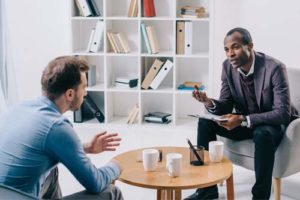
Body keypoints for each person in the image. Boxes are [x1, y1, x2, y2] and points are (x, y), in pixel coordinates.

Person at [185, 27, 298, 200]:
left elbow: (282, 113)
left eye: (235, 47)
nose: (230, 53)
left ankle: (260, 197)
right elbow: (226, 104)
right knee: (205, 122)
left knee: (262, 134)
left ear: (250, 46)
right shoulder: (227, 67)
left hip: (272, 123)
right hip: (243, 121)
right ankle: (207, 190)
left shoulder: (275, 68)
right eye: (226, 49)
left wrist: (244, 119)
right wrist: (209, 102)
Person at [0, 56, 124, 199]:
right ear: (70, 94)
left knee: (51, 173)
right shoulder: (56, 126)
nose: (86, 93)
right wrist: (115, 166)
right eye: (84, 87)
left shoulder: (19, 108)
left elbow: (35, 145)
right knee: (111, 192)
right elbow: (95, 183)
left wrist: (85, 147)